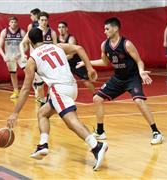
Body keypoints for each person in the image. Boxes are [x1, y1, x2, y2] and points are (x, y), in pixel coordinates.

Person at [7, 28, 108, 171]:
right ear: (42, 37)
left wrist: (15, 113)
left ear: (29, 41)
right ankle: (43, 145)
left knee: (72, 122)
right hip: (72, 87)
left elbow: (24, 89)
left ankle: (96, 146)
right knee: (43, 113)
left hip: (59, 90)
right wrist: (90, 68)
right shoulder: (57, 46)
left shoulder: (32, 59)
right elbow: (79, 48)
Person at [78, 17, 164, 144]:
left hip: (132, 78)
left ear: (115, 28)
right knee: (97, 98)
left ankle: (156, 132)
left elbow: (139, 61)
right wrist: (87, 63)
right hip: (118, 78)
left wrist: (141, 72)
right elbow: (105, 62)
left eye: (107, 29)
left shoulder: (127, 44)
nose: (104, 31)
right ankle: (100, 132)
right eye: (104, 29)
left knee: (139, 101)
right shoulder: (104, 45)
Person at [20, 11, 58, 104]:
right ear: (38, 20)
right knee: (40, 84)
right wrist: (22, 54)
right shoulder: (33, 32)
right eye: (42, 20)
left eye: (45, 20)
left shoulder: (52, 33)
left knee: (52, 84)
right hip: (36, 62)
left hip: (49, 62)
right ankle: (42, 101)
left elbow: (56, 48)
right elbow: (22, 43)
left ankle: (48, 101)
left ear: (48, 21)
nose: (44, 22)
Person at [57, 21, 95, 94]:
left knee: (85, 80)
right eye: (59, 27)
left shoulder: (71, 39)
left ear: (66, 29)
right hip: (65, 63)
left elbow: (71, 55)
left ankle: (95, 94)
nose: (61, 29)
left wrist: (59, 60)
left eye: (63, 27)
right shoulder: (57, 39)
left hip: (76, 62)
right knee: (61, 81)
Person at [0, 16, 26, 99]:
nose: (13, 23)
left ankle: (32, 89)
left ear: (17, 23)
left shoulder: (22, 32)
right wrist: (4, 56)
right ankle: (16, 91)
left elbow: (26, 46)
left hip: (19, 56)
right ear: (9, 23)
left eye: (15, 22)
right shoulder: (4, 32)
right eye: (12, 22)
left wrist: (21, 54)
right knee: (13, 74)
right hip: (10, 57)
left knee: (28, 72)